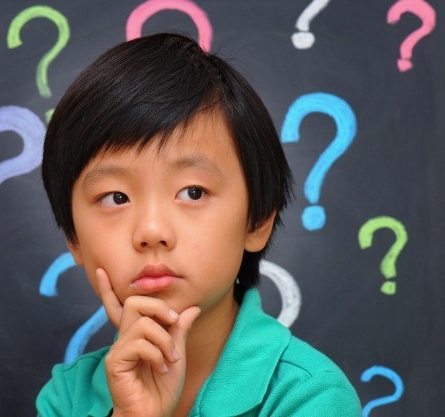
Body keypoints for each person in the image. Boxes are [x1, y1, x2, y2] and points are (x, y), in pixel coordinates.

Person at [36, 32, 361, 416]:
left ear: (256, 220)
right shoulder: (67, 397)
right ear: (73, 239)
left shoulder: (312, 397)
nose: (152, 231)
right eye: (115, 198)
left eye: (193, 192)